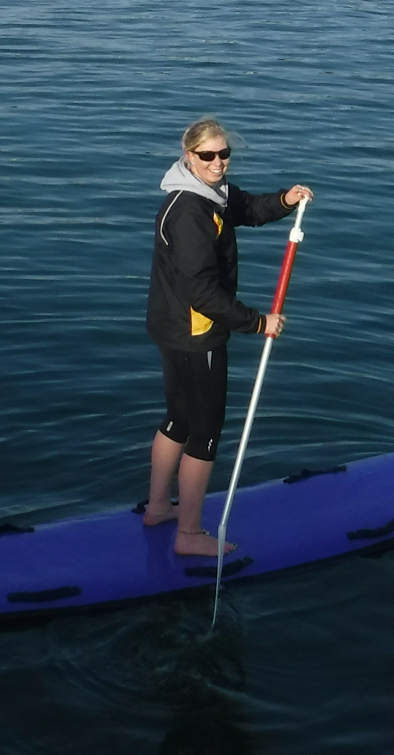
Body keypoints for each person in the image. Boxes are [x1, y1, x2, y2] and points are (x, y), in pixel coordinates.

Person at [144, 118, 314, 557]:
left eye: (224, 154)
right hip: (195, 335)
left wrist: (283, 200)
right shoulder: (189, 214)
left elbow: (247, 209)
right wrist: (259, 323)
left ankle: (159, 508)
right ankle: (189, 534)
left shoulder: (213, 194)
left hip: (174, 327)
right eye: (208, 156)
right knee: (205, 431)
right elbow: (201, 293)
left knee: (178, 419)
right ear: (188, 157)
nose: (218, 163)